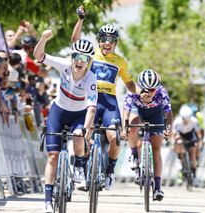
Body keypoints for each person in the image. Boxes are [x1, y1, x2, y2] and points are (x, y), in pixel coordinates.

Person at [71, 5, 139, 190]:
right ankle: (82, 169)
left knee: (115, 137)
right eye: (103, 39)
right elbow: (75, 40)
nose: (106, 43)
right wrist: (81, 20)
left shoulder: (121, 62)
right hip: (91, 99)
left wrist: (143, 92)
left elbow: (130, 84)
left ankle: (109, 171)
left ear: (115, 43)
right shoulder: (91, 53)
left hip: (109, 102)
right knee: (86, 135)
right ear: (99, 40)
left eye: (111, 40)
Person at [33, 29, 97, 213]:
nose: (79, 61)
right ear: (72, 56)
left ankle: (79, 165)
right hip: (58, 111)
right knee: (53, 156)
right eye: (77, 56)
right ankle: (47, 201)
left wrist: (84, 130)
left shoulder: (91, 79)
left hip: (79, 114)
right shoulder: (64, 65)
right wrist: (44, 38)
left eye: (84, 59)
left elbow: (91, 108)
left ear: (89, 62)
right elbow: (38, 55)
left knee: (78, 137)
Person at [121, 69, 173, 201]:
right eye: (146, 89)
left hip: (155, 114)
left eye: (152, 90)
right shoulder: (133, 90)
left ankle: (157, 187)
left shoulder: (161, 92)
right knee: (132, 128)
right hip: (137, 111)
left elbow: (168, 112)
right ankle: (134, 153)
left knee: (156, 148)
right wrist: (125, 127)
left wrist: (169, 127)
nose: (149, 92)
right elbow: (126, 110)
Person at [173, 104, 202, 186]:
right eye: (183, 119)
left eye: (187, 119)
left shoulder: (194, 121)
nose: (185, 121)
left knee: (193, 151)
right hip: (180, 135)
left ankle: (195, 176)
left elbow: (198, 133)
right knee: (179, 143)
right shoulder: (177, 122)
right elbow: (173, 134)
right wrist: (173, 143)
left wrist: (199, 142)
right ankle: (180, 162)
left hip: (190, 135)